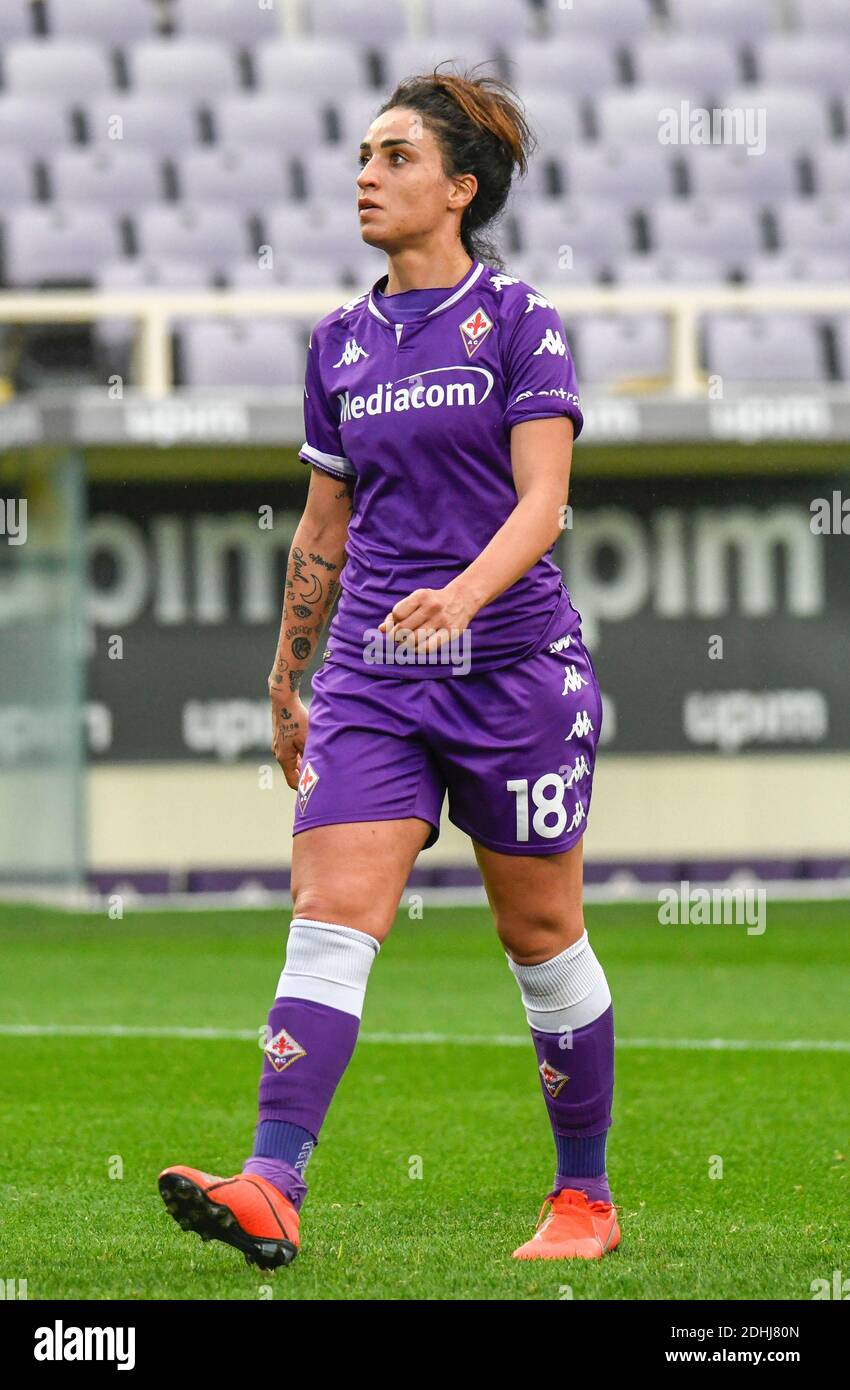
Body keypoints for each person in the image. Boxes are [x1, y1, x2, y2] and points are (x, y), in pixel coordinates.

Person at [159, 66, 618, 1270]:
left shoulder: (519, 321)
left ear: (459, 188)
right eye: (363, 154)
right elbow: (323, 529)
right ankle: (271, 1182)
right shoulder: (339, 343)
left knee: (540, 935)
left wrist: (464, 594)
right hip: (372, 672)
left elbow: (545, 502)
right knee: (329, 918)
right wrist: (284, 675)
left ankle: (583, 1197)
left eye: (395, 156)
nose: (365, 173)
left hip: (512, 664)